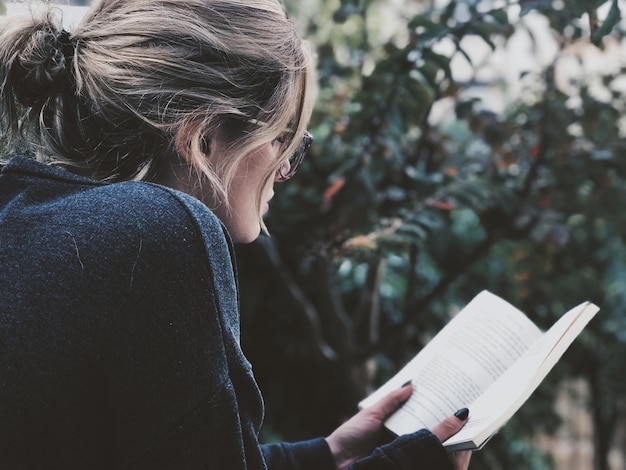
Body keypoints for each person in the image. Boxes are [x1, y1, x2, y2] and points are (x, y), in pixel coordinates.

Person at [0, 1, 472, 468]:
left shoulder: (24, 210)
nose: (286, 166)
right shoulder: (155, 231)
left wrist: (327, 454)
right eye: (281, 135)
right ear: (201, 138)